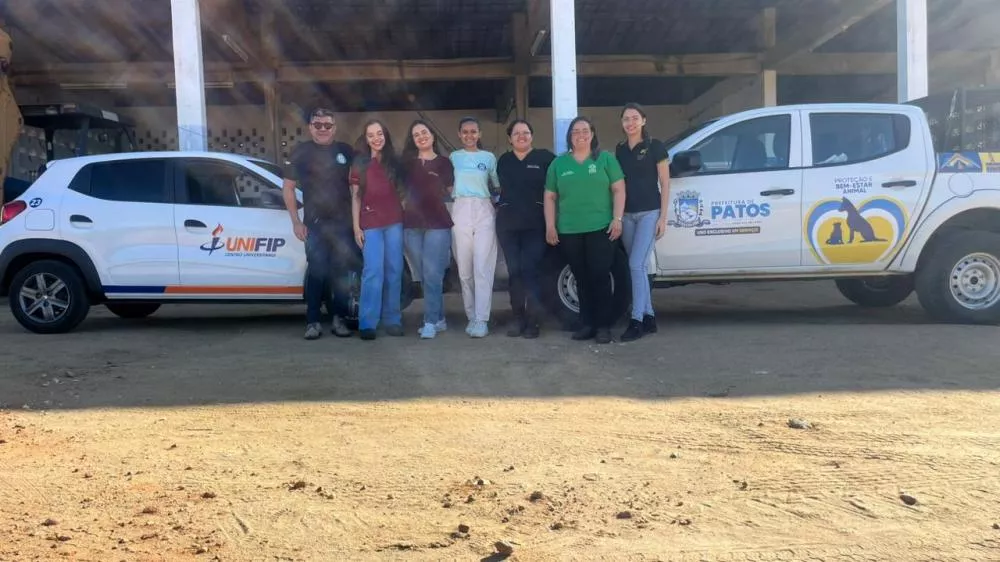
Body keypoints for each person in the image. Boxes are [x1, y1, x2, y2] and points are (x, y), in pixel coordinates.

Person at [544, 116, 626, 345]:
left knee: (600, 276)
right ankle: (587, 324)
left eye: (585, 131)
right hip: (569, 229)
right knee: (581, 278)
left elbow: (619, 190)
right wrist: (550, 225)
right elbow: (550, 197)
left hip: (601, 228)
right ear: (569, 136)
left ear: (592, 134)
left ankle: (603, 326)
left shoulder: (605, 159)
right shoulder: (558, 164)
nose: (580, 135)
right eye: (575, 131)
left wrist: (617, 219)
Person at [282, 107, 358, 341]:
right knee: (316, 273)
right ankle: (312, 321)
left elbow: (357, 187)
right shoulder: (300, 152)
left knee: (341, 274)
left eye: (327, 125)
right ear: (310, 127)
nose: (322, 129)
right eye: (318, 125)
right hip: (314, 225)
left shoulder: (346, 151)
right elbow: (288, 188)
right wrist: (295, 222)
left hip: (343, 225)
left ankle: (339, 319)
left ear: (334, 128)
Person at [615, 102, 671, 342]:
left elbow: (665, 183)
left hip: (650, 213)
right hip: (627, 215)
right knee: (637, 266)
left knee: (636, 265)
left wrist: (663, 217)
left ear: (643, 120)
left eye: (635, 118)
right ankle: (649, 317)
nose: (630, 123)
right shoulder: (620, 149)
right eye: (626, 119)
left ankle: (636, 320)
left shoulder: (655, 146)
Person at [495, 119, 555, 338]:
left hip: (535, 225)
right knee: (514, 272)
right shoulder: (504, 161)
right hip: (508, 226)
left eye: (526, 132)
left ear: (532, 135)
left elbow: (555, 186)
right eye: (516, 133)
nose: (521, 136)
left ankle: (533, 321)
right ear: (510, 138)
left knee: (530, 270)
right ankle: (518, 318)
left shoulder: (545, 158)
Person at [350, 120, 407, 341]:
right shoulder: (359, 164)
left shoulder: (395, 162)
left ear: (386, 136)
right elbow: (355, 198)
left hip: (394, 223)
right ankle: (367, 322)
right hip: (370, 224)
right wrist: (356, 227)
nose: (376, 138)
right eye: (371, 135)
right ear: (366, 139)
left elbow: (403, 192)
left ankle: (393, 319)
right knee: (373, 271)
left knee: (394, 270)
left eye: (380, 133)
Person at [401, 120, 455, 340]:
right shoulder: (406, 164)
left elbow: (452, 192)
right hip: (411, 225)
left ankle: (430, 321)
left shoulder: (444, 163)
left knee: (433, 274)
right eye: (416, 134)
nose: (421, 137)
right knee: (424, 275)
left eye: (424, 132)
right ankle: (439, 318)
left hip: (437, 224)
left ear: (432, 135)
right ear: (413, 140)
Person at [449, 117, 500, 338]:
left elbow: (496, 185)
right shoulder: (453, 157)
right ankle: (471, 316)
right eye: (465, 132)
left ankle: (482, 319)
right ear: (459, 134)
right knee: (464, 270)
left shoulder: (488, 158)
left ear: (479, 134)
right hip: (460, 208)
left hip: (483, 209)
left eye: (473, 131)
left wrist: (496, 205)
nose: (469, 135)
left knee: (482, 266)